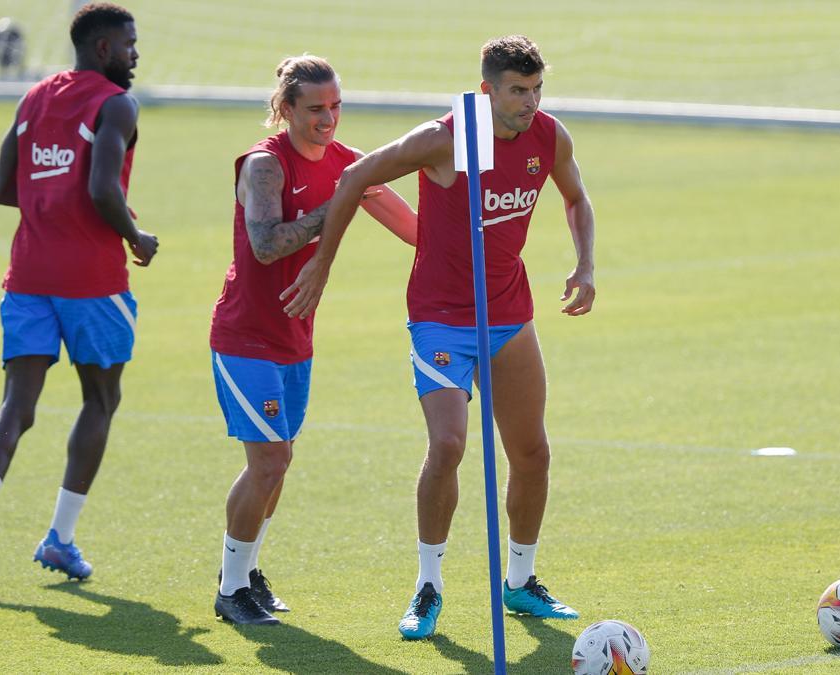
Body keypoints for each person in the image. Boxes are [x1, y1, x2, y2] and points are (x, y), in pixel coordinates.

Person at [282, 35, 596, 640]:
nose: (528, 103)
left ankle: (521, 582)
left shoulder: (549, 136)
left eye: (535, 91)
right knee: (449, 443)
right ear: (487, 90)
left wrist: (585, 264)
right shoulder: (446, 137)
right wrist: (321, 264)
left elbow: (577, 198)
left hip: (508, 315)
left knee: (531, 452)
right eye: (515, 92)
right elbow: (355, 176)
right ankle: (429, 585)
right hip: (440, 317)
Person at [210, 55, 417, 625]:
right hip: (244, 338)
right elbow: (267, 245)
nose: (329, 120)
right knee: (270, 460)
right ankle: (230, 590)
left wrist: (468, 241)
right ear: (285, 109)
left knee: (279, 461)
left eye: (336, 106)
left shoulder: (349, 164)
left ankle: (246, 572)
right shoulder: (263, 167)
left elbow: (415, 230)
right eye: (315, 110)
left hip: (296, 339)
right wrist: (343, 202)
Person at [0, 2, 158, 597]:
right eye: (129, 43)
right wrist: (135, 236)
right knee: (100, 400)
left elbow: (2, 188)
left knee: (15, 407)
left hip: (26, 278)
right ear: (103, 49)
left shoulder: (33, 98)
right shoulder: (116, 105)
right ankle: (59, 538)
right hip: (93, 283)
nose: (135, 53)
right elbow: (101, 188)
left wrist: (47, 211)